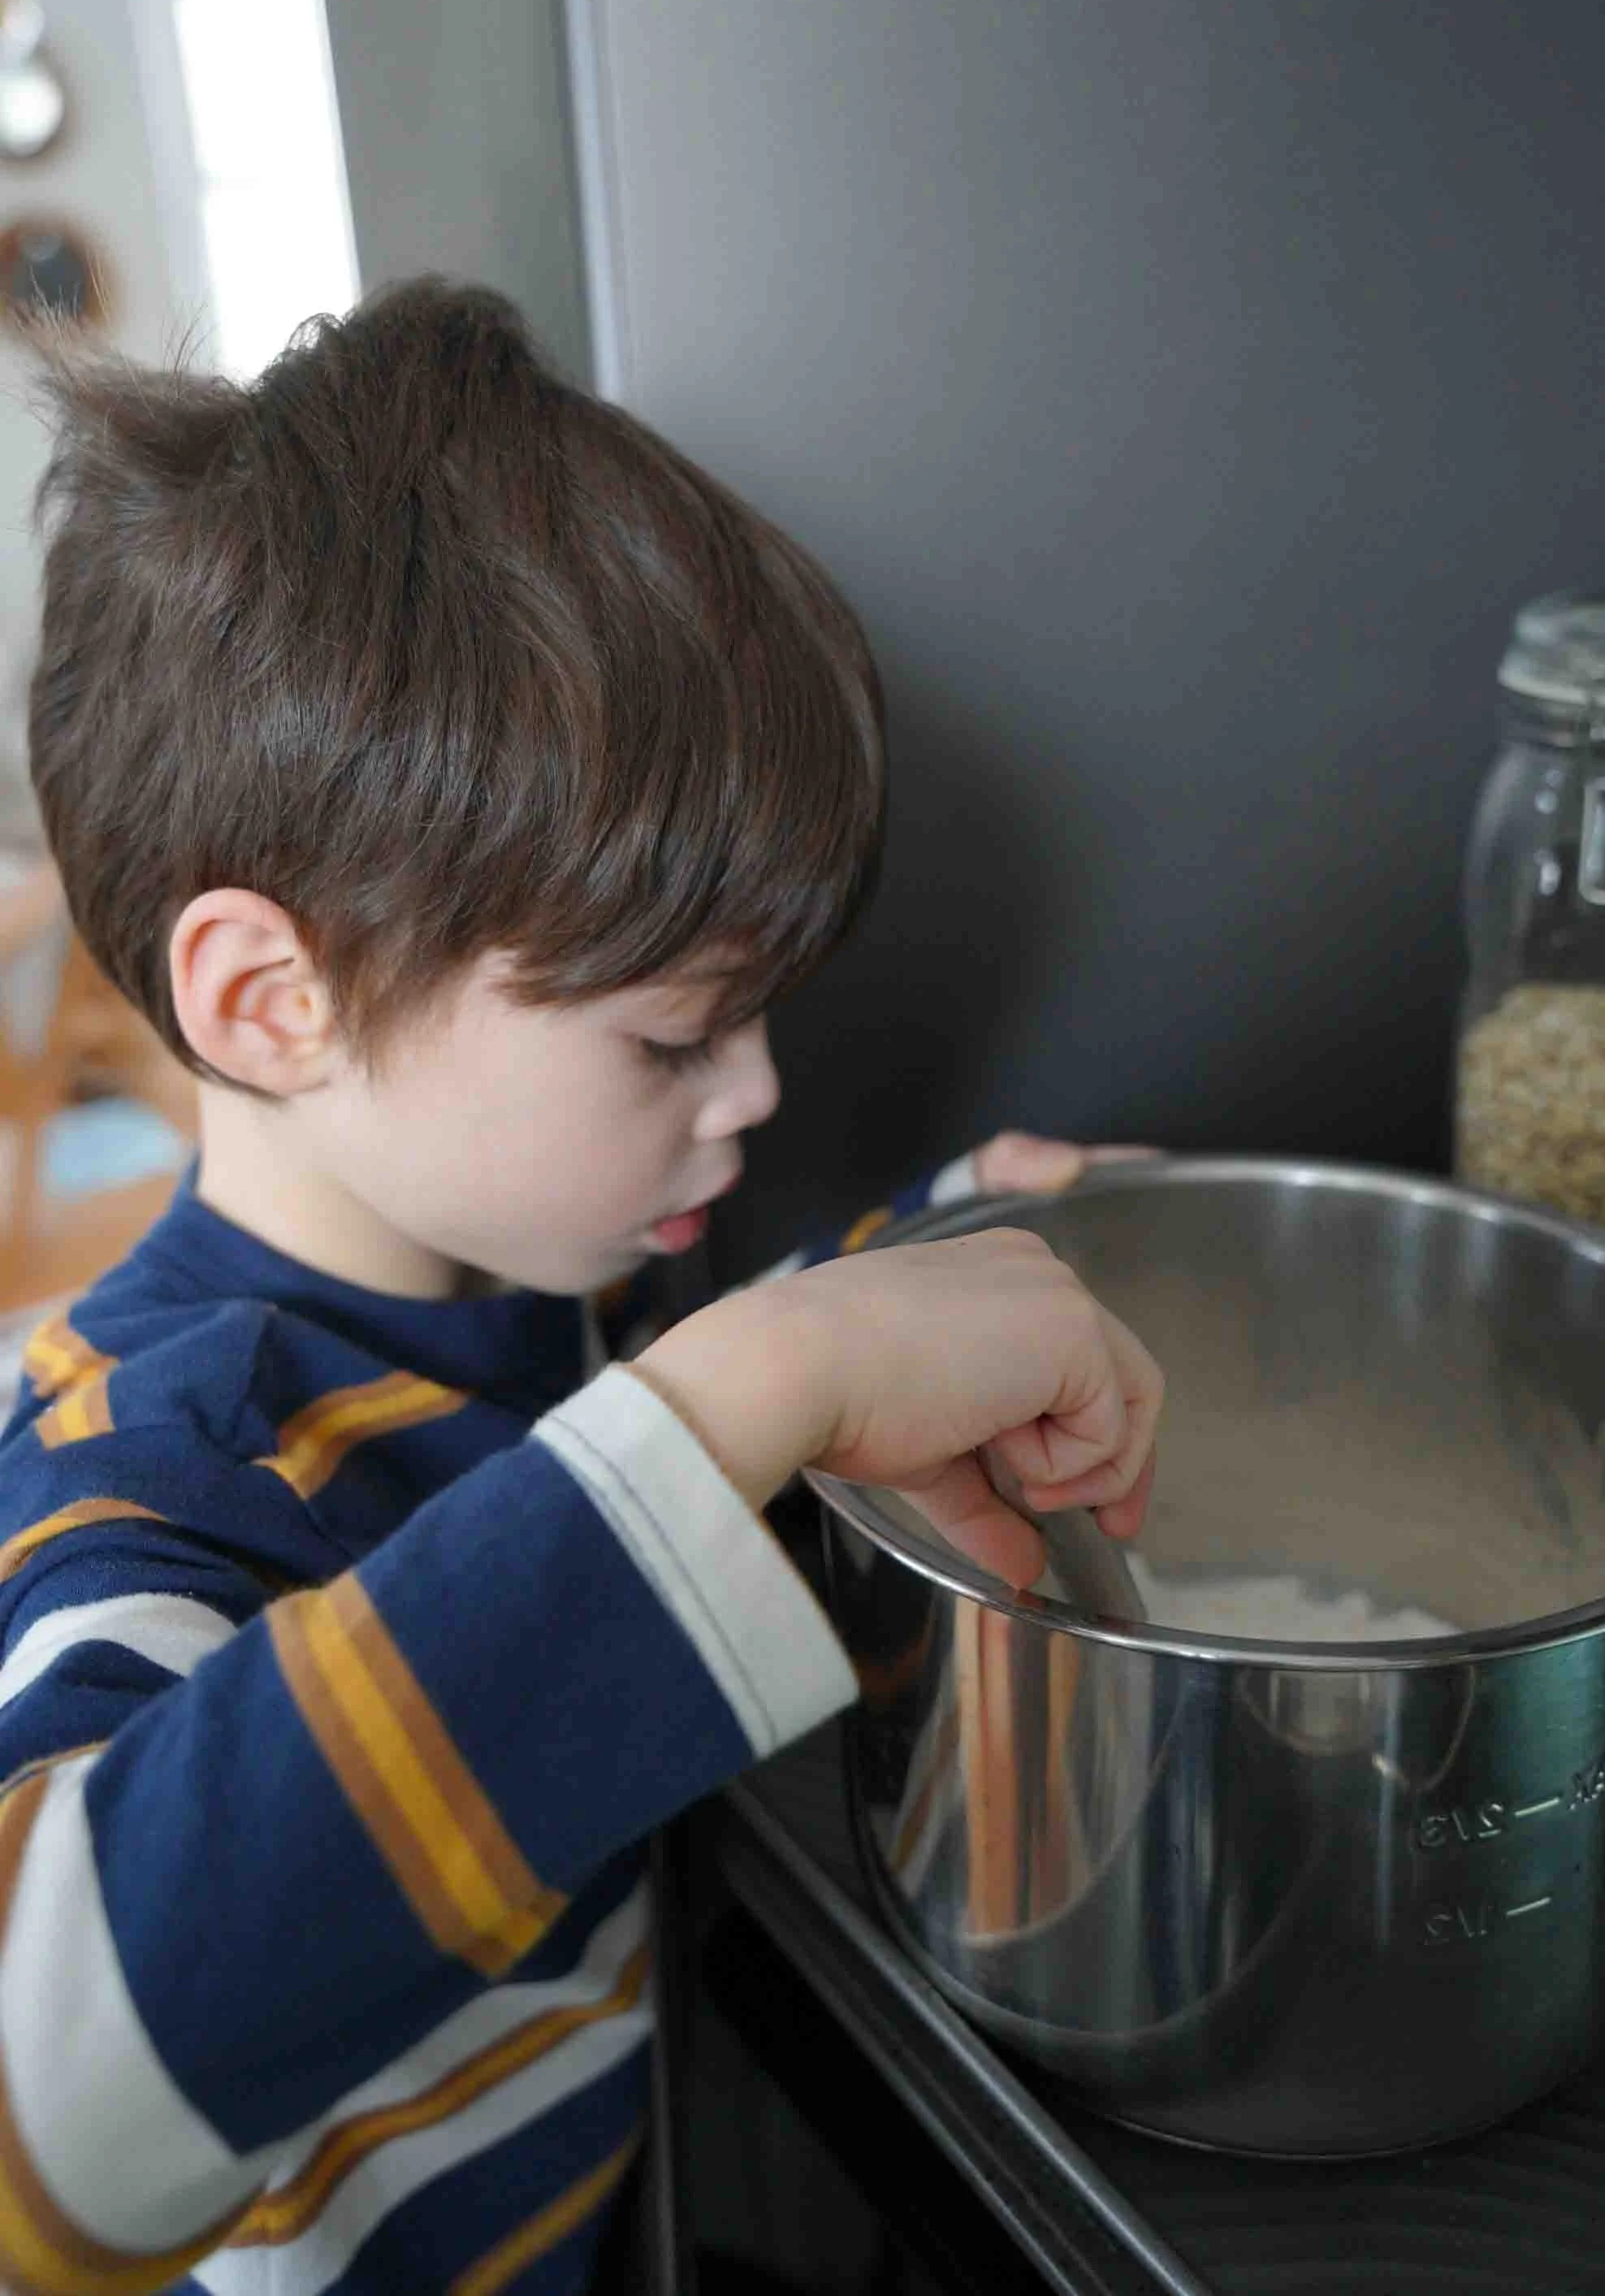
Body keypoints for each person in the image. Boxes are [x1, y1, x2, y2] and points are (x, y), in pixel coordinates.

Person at [0, 281, 1162, 2296]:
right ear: (274, 1002)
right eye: (668, 1044)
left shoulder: (505, 1296)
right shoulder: (150, 1472)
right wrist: (783, 1359)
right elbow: (41, 2100)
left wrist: (924, 1257)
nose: (758, 1092)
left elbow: (586, 1465)